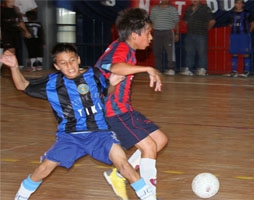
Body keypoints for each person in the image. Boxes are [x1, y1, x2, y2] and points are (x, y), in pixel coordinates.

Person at [0, 43, 153, 200]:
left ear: (78, 59)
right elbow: (22, 85)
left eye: (72, 60)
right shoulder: (52, 83)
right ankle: (21, 196)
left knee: (124, 165)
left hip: (100, 133)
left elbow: (105, 92)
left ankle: (148, 197)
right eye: (63, 63)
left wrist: (112, 85)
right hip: (70, 136)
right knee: (44, 168)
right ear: (56, 66)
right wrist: (13, 67)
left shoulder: (95, 74)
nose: (70, 66)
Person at [94, 8, 168, 200]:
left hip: (124, 108)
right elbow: (116, 68)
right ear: (135, 35)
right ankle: (149, 196)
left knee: (160, 140)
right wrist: (148, 68)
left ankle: (117, 175)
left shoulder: (124, 47)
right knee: (149, 147)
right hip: (114, 111)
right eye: (148, 32)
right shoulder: (122, 49)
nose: (151, 37)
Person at [180, 0, 216, 76]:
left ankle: (202, 69)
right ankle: (189, 69)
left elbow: (212, 21)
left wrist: (205, 29)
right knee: (189, 52)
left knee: (202, 53)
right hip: (189, 34)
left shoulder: (205, 8)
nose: (194, 0)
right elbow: (185, 21)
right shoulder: (188, 9)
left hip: (201, 34)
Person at [224, 0, 254, 78]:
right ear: (235, 4)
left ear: (243, 4)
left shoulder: (247, 13)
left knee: (246, 52)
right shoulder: (231, 14)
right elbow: (230, 24)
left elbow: (253, 24)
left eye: (241, 3)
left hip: (244, 35)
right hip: (234, 35)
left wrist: (247, 32)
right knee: (234, 52)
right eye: (237, 3)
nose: (239, 4)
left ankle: (246, 71)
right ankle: (234, 71)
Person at [150, 0, 180, 76]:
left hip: (168, 32)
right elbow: (152, 22)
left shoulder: (172, 9)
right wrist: (149, 33)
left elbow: (177, 22)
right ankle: (158, 69)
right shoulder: (154, 9)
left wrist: (177, 34)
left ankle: (171, 69)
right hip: (156, 32)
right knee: (157, 52)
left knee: (170, 52)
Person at [1, 0, 32, 69]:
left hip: (16, 32)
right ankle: (6, 68)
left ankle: (15, 67)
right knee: (9, 50)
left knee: (16, 50)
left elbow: (20, 21)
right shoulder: (2, 9)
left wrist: (26, 31)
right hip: (6, 32)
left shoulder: (16, 9)